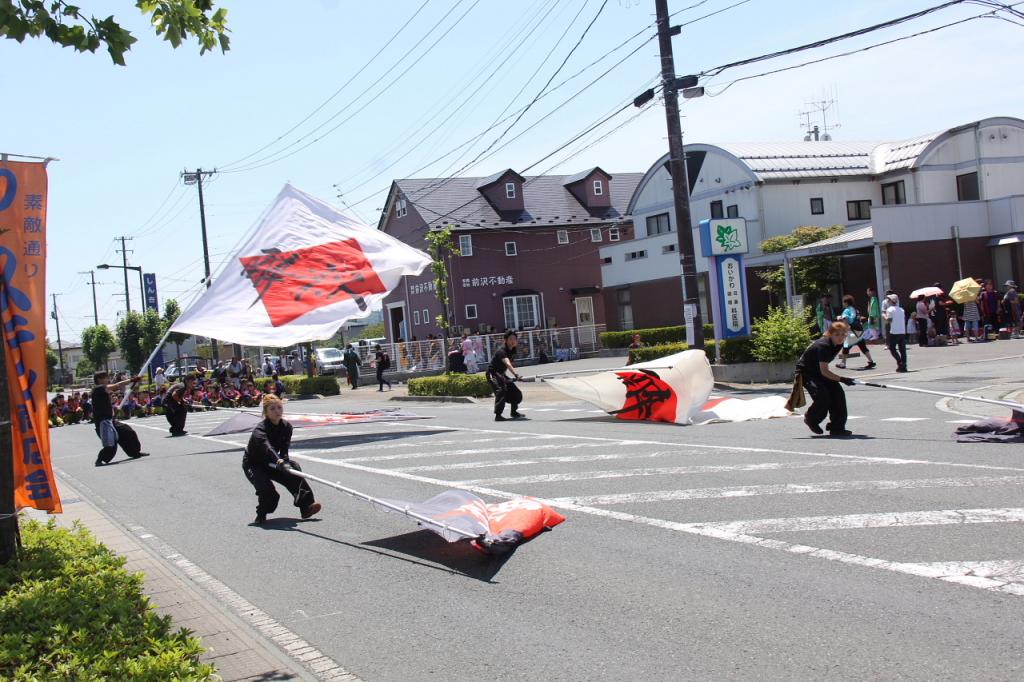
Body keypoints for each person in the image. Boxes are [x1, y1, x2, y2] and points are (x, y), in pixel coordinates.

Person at [242, 395, 322, 526]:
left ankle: (306, 507)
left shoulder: (286, 427)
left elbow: (284, 448)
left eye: (279, 407)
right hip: (254, 463)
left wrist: (285, 461)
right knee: (269, 492)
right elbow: (267, 446)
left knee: (293, 470)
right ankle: (261, 514)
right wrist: (279, 462)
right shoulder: (260, 429)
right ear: (265, 412)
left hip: (272, 462)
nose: (277, 411)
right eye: (272, 408)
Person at [795, 321, 856, 437]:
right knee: (822, 396)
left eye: (843, 334)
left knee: (838, 394)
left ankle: (837, 427)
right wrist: (842, 379)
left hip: (819, 372)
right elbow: (824, 371)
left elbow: (823, 371)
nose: (840, 337)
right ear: (830, 334)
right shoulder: (824, 346)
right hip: (806, 373)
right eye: (837, 335)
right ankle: (811, 419)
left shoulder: (838, 344)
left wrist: (840, 380)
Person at [91, 371, 150, 466]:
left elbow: (107, 402)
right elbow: (117, 386)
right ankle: (100, 460)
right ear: (100, 379)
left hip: (111, 421)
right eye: (106, 378)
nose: (107, 379)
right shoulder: (98, 389)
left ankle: (135, 452)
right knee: (111, 444)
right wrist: (132, 380)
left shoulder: (103, 390)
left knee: (127, 432)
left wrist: (115, 409)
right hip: (103, 423)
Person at [486, 330, 526, 422]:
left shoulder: (513, 350)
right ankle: (498, 415)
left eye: (515, 339)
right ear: (505, 340)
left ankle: (514, 412)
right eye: (510, 339)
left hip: (501, 374)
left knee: (516, 392)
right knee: (501, 390)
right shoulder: (502, 351)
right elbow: (508, 363)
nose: (513, 341)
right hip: (493, 373)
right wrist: (516, 375)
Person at [836, 294, 876, 370]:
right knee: (862, 346)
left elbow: (846, 320)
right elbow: (857, 319)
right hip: (860, 330)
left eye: (843, 302)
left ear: (846, 303)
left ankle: (843, 363)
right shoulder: (855, 310)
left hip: (852, 331)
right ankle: (871, 361)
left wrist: (845, 328)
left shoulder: (846, 310)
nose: (843, 304)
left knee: (846, 346)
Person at [883, 294, 908, 372]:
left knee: (892, 348)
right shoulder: (901, 309)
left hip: (894, 332)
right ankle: (904, 365)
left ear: (891, 301)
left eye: (888, 300)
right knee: (902, 349)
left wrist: (884, 316)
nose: (887, 301)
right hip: (902, 331)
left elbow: (888, 321)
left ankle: (900, 362)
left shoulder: (889, 309)